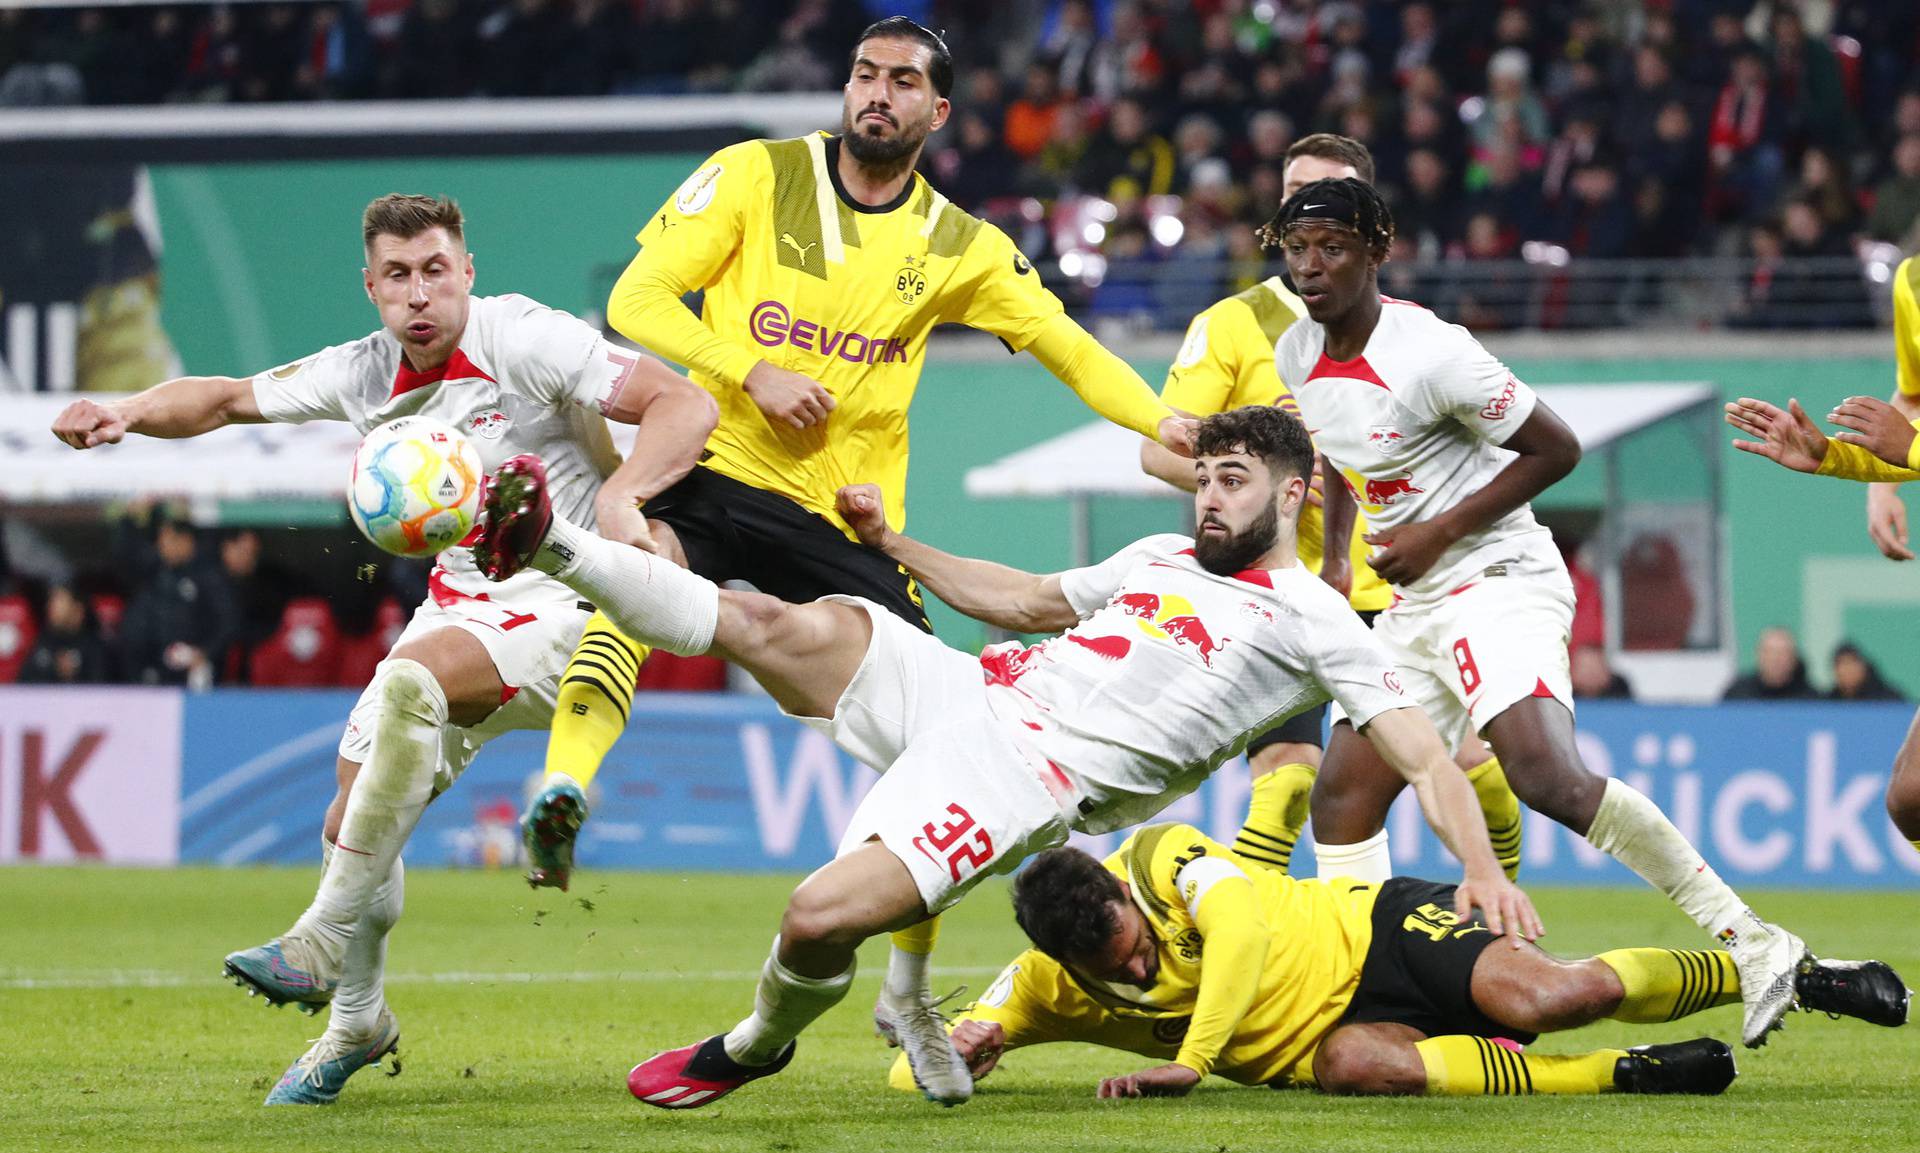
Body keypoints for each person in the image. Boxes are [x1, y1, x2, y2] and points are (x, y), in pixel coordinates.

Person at [471, 405, 1538, 1108]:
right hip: (973, 689)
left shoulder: (1316, 621)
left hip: (1029, 777)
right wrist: (894, 547)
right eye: (1203, 476)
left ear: (1293, 495)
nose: (1207, 496)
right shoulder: (1159, 554)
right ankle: (552, 539)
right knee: (763, 619)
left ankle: (754, 1043)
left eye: (1233, 479)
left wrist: (1482, 868)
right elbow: (1021, 598)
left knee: (816, 916)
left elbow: (1425, 757)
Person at [525, 15, 1196, 1073]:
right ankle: (565, 785)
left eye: (903, 82)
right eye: (864, 75)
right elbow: (636, 297)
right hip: (716, 467)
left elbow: (1066, 344)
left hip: (843, 514)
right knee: (641, 573)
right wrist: (746, 372)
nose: (876, 93)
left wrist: (1167, 428)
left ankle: (910, 993)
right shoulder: (754, 175)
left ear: (938, 110)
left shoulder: (958, 245)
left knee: (943, 743)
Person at [49, 193, 717, 1106]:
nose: (419, 295)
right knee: (348, 820)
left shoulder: (525, 338)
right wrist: (125, 411)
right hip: (459, 607)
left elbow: (682, 401)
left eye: (435, 270)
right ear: (371, 287)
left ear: (466, 273)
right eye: (397, 277)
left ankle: (318, 940)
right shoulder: (364, 374)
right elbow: (223, 399)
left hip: (569, 595)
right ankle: (358, 1019)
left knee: (410, 683)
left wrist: (622, 497)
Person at [1264, 177, 1813, 1050]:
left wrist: (1438, 530)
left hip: (1499, 576)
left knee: (1544, 776)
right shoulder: (1296, 351)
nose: (1310, 265)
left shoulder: (1435, 351)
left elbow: (1557, 447)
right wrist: (1336, 560)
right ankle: (1356, 997)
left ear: (1378, 248)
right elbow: (1337, 453)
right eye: (1296, 250)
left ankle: (1756, 941)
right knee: (1342, 799)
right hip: (1416, 601)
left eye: (1331, 246)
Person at [1139, 132, 1524, 880]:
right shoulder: (1233, 323)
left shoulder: (1414, 332)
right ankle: (1258, 946)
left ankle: (1505, 913)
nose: (1305, 208)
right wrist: (1248, 481)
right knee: (1286, 785)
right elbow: (1156, 448)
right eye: (1292, 193)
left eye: (1329, 192)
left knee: (1478, 771)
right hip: (1280, 589)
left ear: (1371, 222)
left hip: (1396, 589)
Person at [884, 824, 1908, 1099]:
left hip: (1374, 928)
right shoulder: (1046, 984)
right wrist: (962, 1047)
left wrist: (1193, 1058)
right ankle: (1628, 1075)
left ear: (1123, 900)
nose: (1146, 967)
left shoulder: (1159, 859)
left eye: (1141, 943)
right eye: (1128, 968)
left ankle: (1789, 971)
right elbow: (908, 1066)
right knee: (1358, 1070)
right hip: (1330, 1037)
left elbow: (1236, 933)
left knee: (1559, 993)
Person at [1722, 388, 1920, 861]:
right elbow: (1910, 403)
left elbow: (1909, 438)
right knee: (1910, 797)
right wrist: (1837, 458)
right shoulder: (1911, 308)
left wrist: (1911, 448)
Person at [1722, 625, 1818, 700]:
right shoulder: (1738, 695)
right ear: (1759, 654)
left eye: (1783, 653)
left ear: (1793, 658)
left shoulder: (1811, 701)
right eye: (1770, 652)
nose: (1775, 659)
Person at [1829, 642, 1903, 702]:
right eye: (1843, 664)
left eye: (1852, 663)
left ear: (1863, 667)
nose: (1848, 670)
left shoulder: (1888, 700)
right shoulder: (1828, 702)